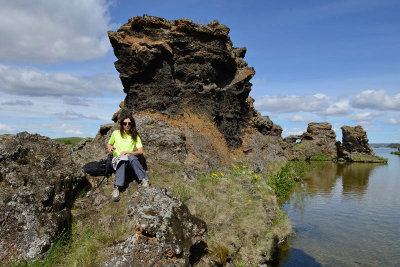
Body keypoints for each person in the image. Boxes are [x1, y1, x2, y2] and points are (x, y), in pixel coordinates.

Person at [107, 114, 149, 201]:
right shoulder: (116, 133)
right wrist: (110, 147)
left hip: (129, 160)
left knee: (132, 158)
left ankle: (144, 180)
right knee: (121, 160)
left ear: (132, 124)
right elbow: (109, 144)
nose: (127, 125)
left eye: (129, 123)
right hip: (117, 160)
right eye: (125, 123)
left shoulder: (135, 136)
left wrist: (128, 152)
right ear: (122, 124)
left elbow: (140, 151)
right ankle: (117, 188)